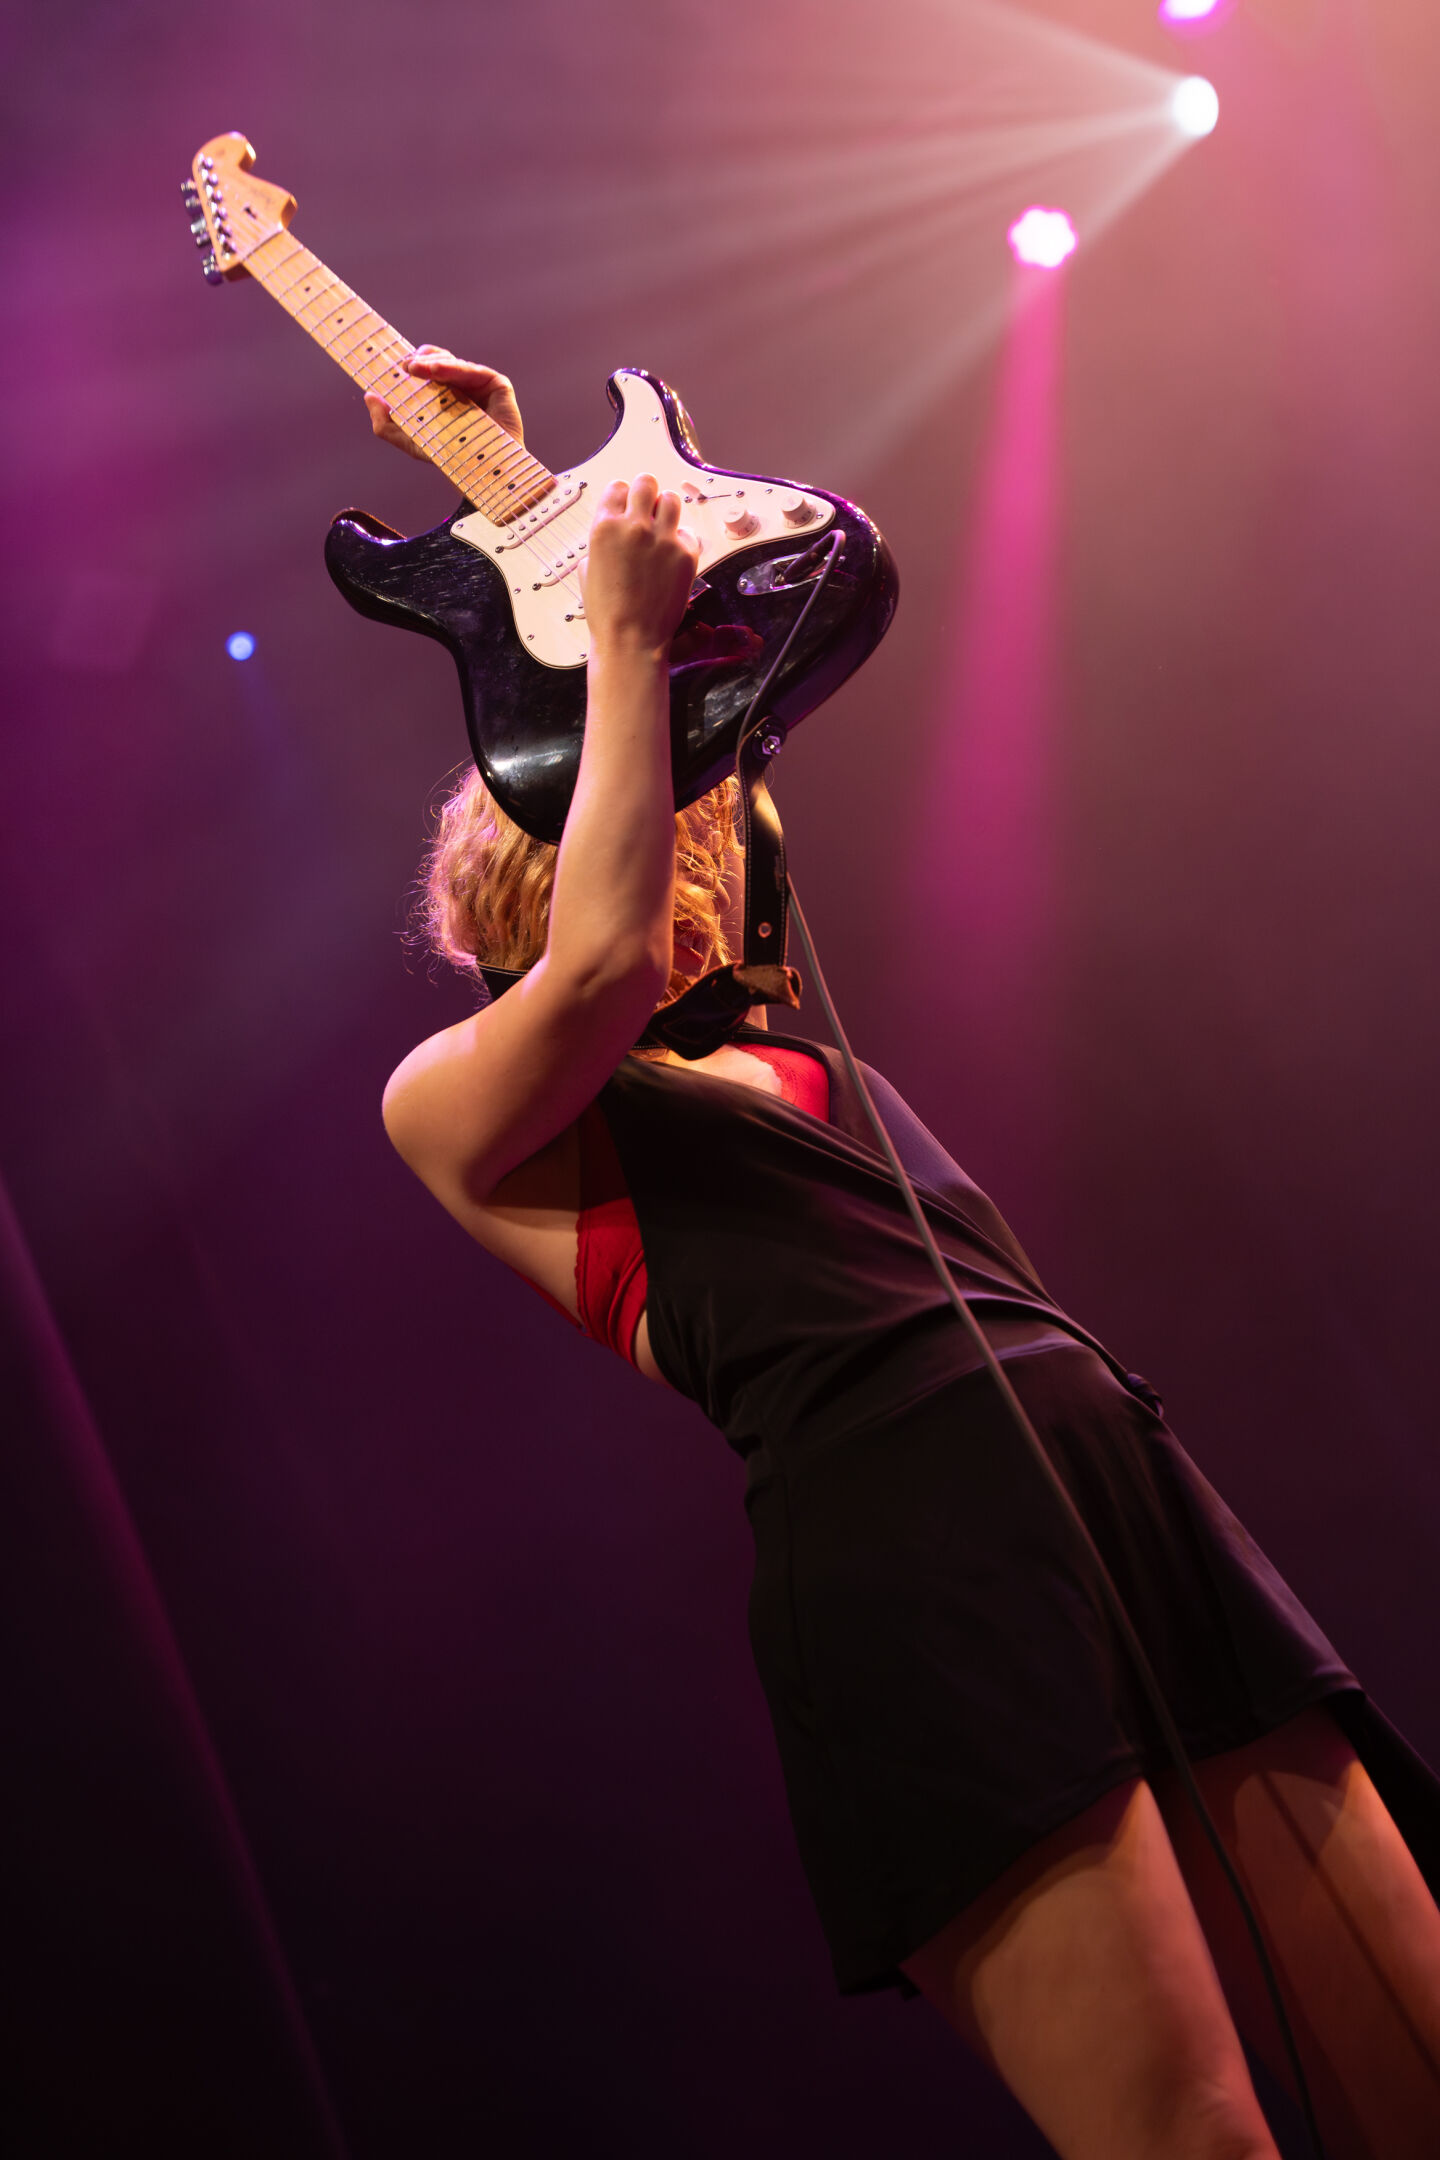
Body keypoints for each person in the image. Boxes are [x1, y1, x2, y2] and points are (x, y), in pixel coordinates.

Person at [364, 349, 1440, 2160]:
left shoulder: (795, 1050)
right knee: (1192, 2138)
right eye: (675, 803)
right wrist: (611, 652)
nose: (718, 824)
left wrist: (509, 485)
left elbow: (666, 667)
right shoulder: (463, 1100)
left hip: (1112, 1477)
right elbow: (605, 952)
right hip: (909, 1549)